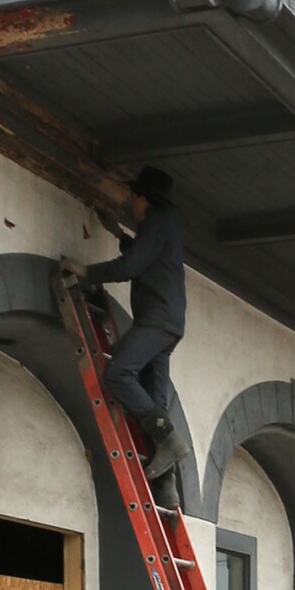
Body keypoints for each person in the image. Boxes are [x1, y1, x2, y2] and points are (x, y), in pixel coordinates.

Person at [66, 166, 188, 481]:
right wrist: (118, 234)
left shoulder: (156, 223)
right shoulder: (163, 227)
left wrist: (85, 272)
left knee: (118, 373)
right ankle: (167, 484)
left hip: (156, 319)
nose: (129, 204)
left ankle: (168, 440)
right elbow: (143, 255)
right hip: (168, 323)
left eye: (132, 197)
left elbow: (131, 266)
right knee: (155, 397)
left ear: (142, 198)